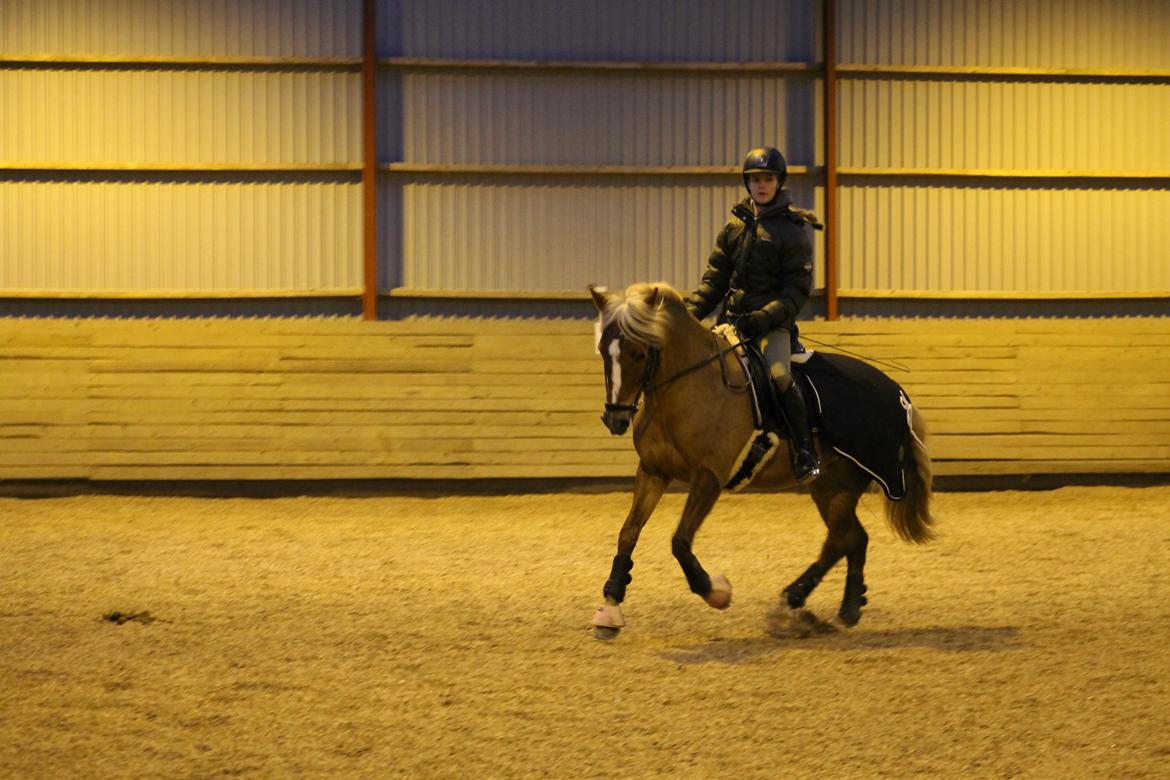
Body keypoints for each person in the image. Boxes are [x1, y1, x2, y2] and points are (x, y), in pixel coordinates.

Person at [684, 146, 821, 484]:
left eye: (768, 179)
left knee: (779, 376)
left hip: (771, 325)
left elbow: (796, 290)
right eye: (755, 179)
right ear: (748, 183)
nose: (761, 185)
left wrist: (764, 316)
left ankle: (805, 452)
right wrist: (688, 317)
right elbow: (714, 280)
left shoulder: (792, 232)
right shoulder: (733, 228)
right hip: (732, 323)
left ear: (778, 182)